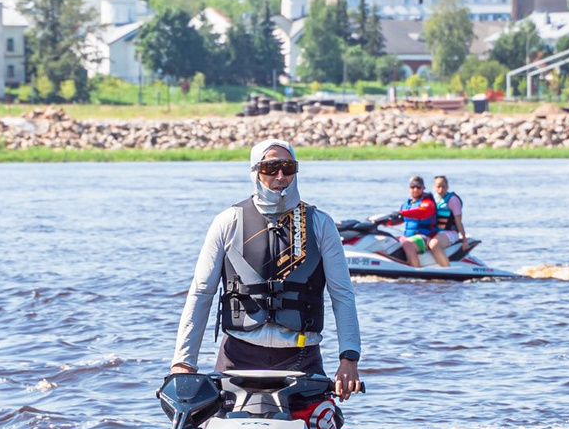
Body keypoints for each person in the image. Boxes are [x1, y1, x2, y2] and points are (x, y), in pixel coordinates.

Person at [170, 139, 362, 403]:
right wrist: (183, 363)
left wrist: (349, 358)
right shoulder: (228, 221)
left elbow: (343, 295)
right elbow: (201, 293)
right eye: (270, 168)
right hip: (238, 357)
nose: (280, 176)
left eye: (288, 167)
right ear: (255, 172)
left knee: (325, 423)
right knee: (203, 422)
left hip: (301, 359)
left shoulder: (320, 224)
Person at [376, 175, 448, 266]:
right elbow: (401, 219)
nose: (415, 189)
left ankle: (416, 271)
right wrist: (385, 222)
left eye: (418, 187)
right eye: (412, 187)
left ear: (423, 188)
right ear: (409, 188)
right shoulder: (406, 204)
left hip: (425, 237)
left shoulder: (427, 202)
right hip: (408, 236)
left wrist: (403, 213)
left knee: (407, 244)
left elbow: (421, 212)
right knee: (386, 240)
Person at [431, 175, 466, 250]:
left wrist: (464, 240)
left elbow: (458, 221)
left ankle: (444, 262)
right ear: (434, 187)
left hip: (450, 233)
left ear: (447, 186)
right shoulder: (433, 199)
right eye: (438, 187)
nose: (441, 189)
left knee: (434, 244)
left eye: (443, 187)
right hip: (437, 232)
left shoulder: (453, 200)